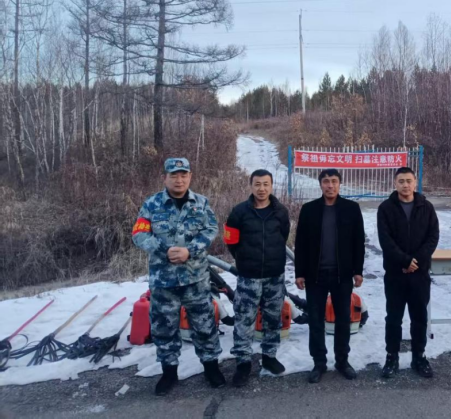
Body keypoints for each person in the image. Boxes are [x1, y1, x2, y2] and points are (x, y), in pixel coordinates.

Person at [132, 157, 224, 396]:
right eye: (174, 175)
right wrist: (164, 250)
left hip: (196, 278)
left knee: (204, 324)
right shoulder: (151, 204)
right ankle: (169, 373)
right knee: (164, 327)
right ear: (165, 178)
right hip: (164, 280)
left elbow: (211, 229)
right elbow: (139, 234)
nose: (179, 180)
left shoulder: (201, 203)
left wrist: (189, 250)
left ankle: (211, 368)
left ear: (190, 177)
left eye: (183, 175)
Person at [294, 168, 366, 384]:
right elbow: (300, 243)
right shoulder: (309, 210)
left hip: (342, 275)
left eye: (334, 181)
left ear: (339, 184)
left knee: (343, 320)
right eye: (326, 181)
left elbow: (358, 242)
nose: (330, 185)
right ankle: (319, 363)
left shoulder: (351, 209)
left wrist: (358, 270)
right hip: (315, 276)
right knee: (316, 320)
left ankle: (342, 361)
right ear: (320, 185)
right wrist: (299, 273)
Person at [224, 169, 290, 386]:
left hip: (274, 276)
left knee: (273, 319)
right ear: (251, 186)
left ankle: (269, 356)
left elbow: (283, 236)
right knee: (244, 320)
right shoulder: (238, 212)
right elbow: (231, 241)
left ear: (271, 186)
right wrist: (243, 259)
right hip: (248, 277)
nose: (262, 189)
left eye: (266, 184)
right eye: (257, 184)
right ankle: (243, 362)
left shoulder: (280, 212)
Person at [377, 166, 439, 379]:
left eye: (409, 181)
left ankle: (419, 357)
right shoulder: (386, 208)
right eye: (401, 181)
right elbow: (385, 240)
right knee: (393, 318)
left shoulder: (426, 207)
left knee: (419, 317)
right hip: (395, 273)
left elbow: (433, 237)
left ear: (415, 182)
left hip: (419, 274)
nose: (405, 185)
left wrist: (416, 261)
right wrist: (404, 261)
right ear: (395, 183)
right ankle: (391, 357)